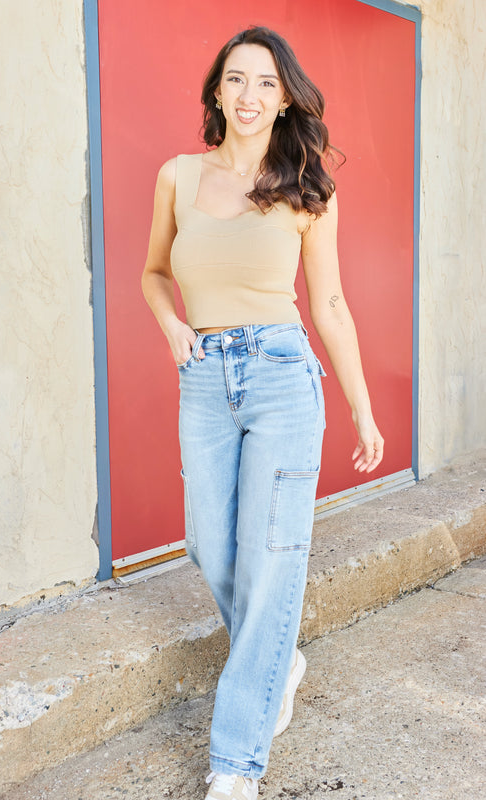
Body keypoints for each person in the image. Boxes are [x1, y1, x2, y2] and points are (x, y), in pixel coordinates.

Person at [142, 25, 384, 800]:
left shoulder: (308, 190)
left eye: (266, 84)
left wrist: (361, 409)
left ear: (284, 102)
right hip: (205, 376)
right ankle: (279, 657)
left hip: (282, 376)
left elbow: (330, 305)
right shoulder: (178, 175)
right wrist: (172, 324)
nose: (249, 96)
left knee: (272, 554)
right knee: (209, 546)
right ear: (216, 92)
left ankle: (235, 763)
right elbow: (153, 272)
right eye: (236, 80)